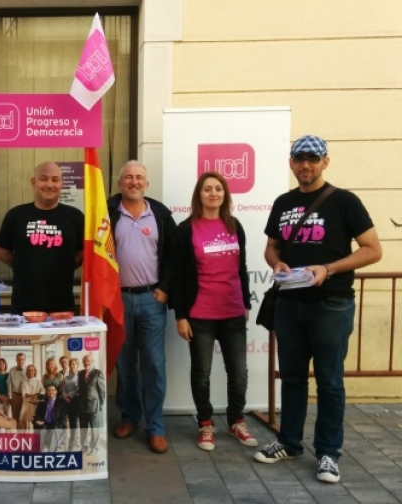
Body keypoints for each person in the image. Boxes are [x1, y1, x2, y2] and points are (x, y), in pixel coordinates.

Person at [254, 135, 382, 484]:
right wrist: (277, 263)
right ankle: (290, 442)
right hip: (289, 303)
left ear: (325, 161)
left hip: (331, 304)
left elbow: (372, 249)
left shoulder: (344, 201)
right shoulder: (283, 202)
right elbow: (271, 248)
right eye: (299, 159)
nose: (305, 165)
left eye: (312, 158)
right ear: (291, 163)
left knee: (329, 381)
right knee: (292, 378)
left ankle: (328, 453)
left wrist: (329, 269)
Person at [170, 172, 256, 452]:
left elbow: (241, 268)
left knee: (239, 373)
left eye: (218, 189)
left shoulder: (234, 225)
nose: (213, 193)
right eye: (207, 189)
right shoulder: (186, 229)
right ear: (199, 195)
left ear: (225, 194)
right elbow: (179, 276)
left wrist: (245, 303)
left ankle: (236, 421)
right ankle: (206, 424)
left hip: (232, 312)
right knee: (202, 373)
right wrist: (181, 315)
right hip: (201, 314)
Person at [108, 160, 176, 454]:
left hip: (152, 299)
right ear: (120, 182)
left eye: (139, 178)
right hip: (118, 299)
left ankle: (156, 426)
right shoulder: (108, 213)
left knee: (153, 364)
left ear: (146, 184)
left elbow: (175, 255)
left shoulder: (159, 214)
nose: (133, 182)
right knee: (125, 364)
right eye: (128, 178)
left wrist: (165, 289)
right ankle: (129, 417)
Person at [0, 161, 84, 314]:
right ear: (33, 182)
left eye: (55, 179)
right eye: (44, 178)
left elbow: (82, 254)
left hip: (62, 305)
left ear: (62, 183)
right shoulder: (16, 215)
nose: (50, 184)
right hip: (23, 304)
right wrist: (24, 267)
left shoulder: (75, 217)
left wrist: (63, 267)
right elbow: (2, 252)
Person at [79, 355, 106, 454]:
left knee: (94, 428)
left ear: (92, 361)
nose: (86, 363)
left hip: (94, 405)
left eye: (88, 361)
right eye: (85, 361)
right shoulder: (80, 373)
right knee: (83, 428)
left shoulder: (98, 373)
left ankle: (94, 448)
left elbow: (102, 390)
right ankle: (84, 447)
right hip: (82, 405)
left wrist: (101, 403)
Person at [33, 384, 68, 452]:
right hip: (44, 423)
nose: (51, 392)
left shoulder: (62, 402)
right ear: (46, 392)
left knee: (54, 430)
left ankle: (51, 452)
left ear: (56, 391)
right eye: (48, 390)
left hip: (56, 424)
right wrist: (37, 420)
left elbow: (63, 417)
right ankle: (40, 451)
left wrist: (57, 424)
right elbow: (37, 414)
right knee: (42, 429)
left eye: (52, 390)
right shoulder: (42, 402)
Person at [62, 357, 81, 451]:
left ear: (77, 365)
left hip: (77, 402)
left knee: (76, 424)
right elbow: (64, 389)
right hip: (68, 402)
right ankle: (71, 445)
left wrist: (69, 395)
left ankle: (74, 445)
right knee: (71, 423)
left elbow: (79, 389)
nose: (72, 366)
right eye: (70, 364)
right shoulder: (66, 378)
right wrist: (65, 396)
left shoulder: (80, 376)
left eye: (74, 364)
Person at [19, 364, 45, 430]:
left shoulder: (38, 382)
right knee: (26, 422)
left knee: (35, 420)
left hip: (36, 403)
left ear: (34, 371)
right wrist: (34, 395)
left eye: (32, 370)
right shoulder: (24, 382)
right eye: (29, 370)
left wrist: (37, 395)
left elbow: (43, 391)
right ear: (27, 372)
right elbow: (24, 394)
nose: (30, 372)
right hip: (27, 403)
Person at [8, 353, 27, 422]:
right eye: (19, 359)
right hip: (15, 396)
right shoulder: (11, 370)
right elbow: (9, 384)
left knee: (24, 416)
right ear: (16, 360)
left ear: (25, 360)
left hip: (25, 396)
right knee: (15, 416)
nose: (20, 361)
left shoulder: (28, 369)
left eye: (22, 359)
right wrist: (10, 397)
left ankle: (24, 432)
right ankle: (16, 432)